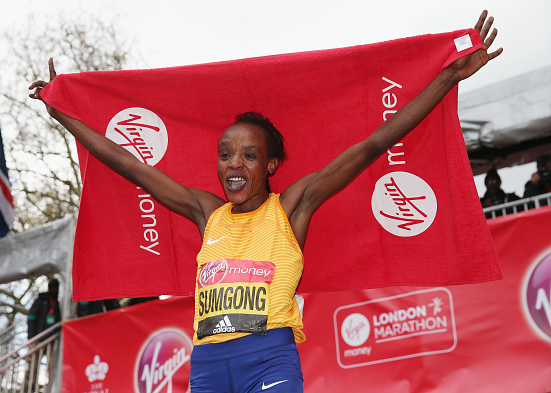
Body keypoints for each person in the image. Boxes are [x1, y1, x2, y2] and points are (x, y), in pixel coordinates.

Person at [29, 11, 501, 393]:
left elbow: (374, 144)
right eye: (226, 153)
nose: (234, 163)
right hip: (209, 365)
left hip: (269, 359)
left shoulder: (292, 207)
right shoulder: (206, 212)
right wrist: (62, 114)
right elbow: (130, 164)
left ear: (272, 166)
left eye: (249, 155)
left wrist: (446, 79)